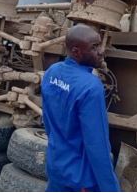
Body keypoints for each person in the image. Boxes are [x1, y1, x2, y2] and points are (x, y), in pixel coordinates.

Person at [41, 23, 120, 192]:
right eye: (94, 47)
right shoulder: (91, 86)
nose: (101, 51)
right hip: (80, 179)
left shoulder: (52, 72)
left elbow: (48, 123)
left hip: (57, 167)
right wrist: (110, 188)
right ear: (76, 51)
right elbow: (97, 144)